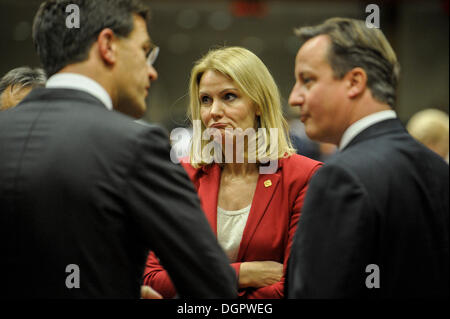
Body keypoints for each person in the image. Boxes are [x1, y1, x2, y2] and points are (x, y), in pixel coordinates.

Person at [0, 0, 237, 299]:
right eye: (145, 51)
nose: (152, 72)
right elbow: (213, 284)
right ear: (108, 46)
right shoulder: (136, 146)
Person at [286, 17, 449, 298]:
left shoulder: (341, 176)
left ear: (355, 82)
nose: (294, 98)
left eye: (307, 80)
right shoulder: (437, 168)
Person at [144, 46, 322, 299]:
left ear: (259, 104)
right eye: (205, 100)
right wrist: (242, 274)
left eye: (228, 96)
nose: (214, 111)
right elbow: (152, 278)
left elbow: (294, 285)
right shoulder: (180, 176)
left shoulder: (304, 177)